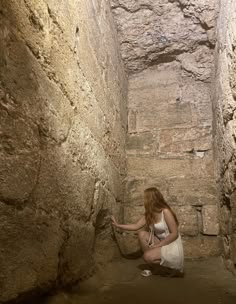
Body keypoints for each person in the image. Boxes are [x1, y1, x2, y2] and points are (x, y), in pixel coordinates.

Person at [111, 187, 184, 277]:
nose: (143, 201)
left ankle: (171, 268)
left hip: (171, 244)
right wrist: (118, 225)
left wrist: (159, 245)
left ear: (150, 199)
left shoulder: (165, 211)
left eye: (145, 198)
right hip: (161, 241)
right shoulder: (149, 213)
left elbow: (174, 234)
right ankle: (153, 267)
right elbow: (136, 226)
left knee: (147, 257)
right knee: (142, 234)